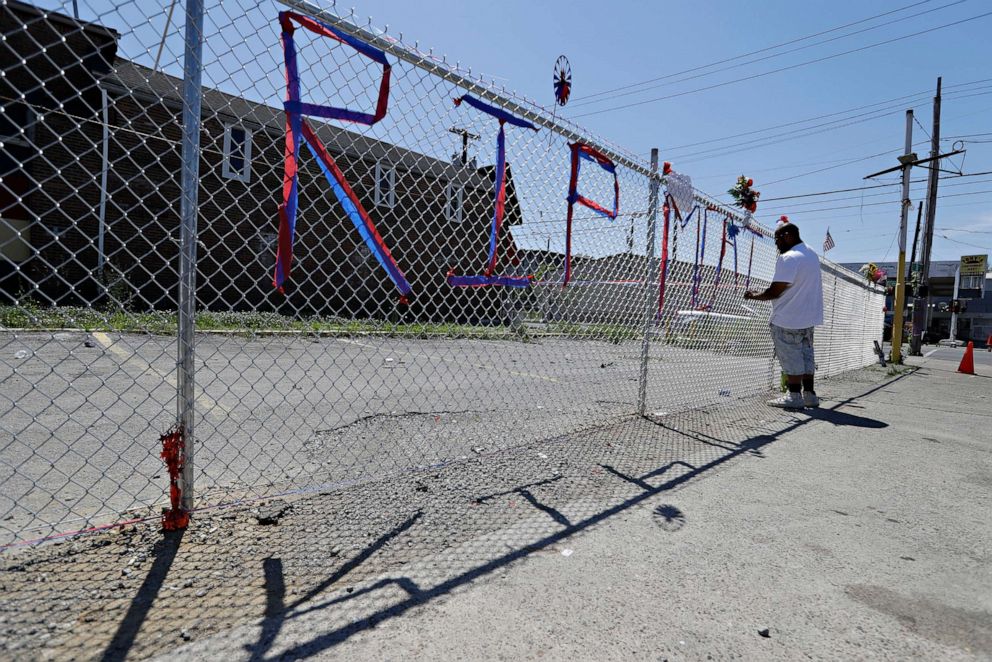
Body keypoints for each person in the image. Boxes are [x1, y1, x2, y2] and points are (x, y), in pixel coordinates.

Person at [744, 222, 824, 409]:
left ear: (788, 235)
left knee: (791, 357)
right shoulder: (811, 254)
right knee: (806, 355)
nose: (777, 245)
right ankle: (809, 395)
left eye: (778, 240)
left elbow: (775, 291)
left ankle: (794, 395)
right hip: (808, 317)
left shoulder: (789, 258)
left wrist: (754, 295)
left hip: (788, 318)